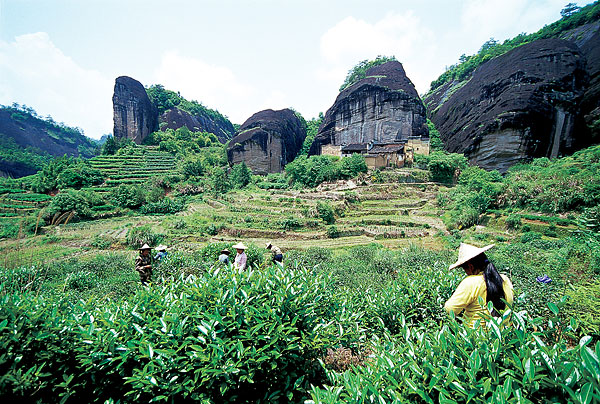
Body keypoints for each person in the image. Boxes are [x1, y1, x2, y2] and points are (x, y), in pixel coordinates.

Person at [444, 243, 513, 328]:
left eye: (464, 269)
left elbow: (449, 309)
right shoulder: (505, 279)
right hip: (502, 337)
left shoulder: (471, 282)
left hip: (474, 338)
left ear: (471, 267)